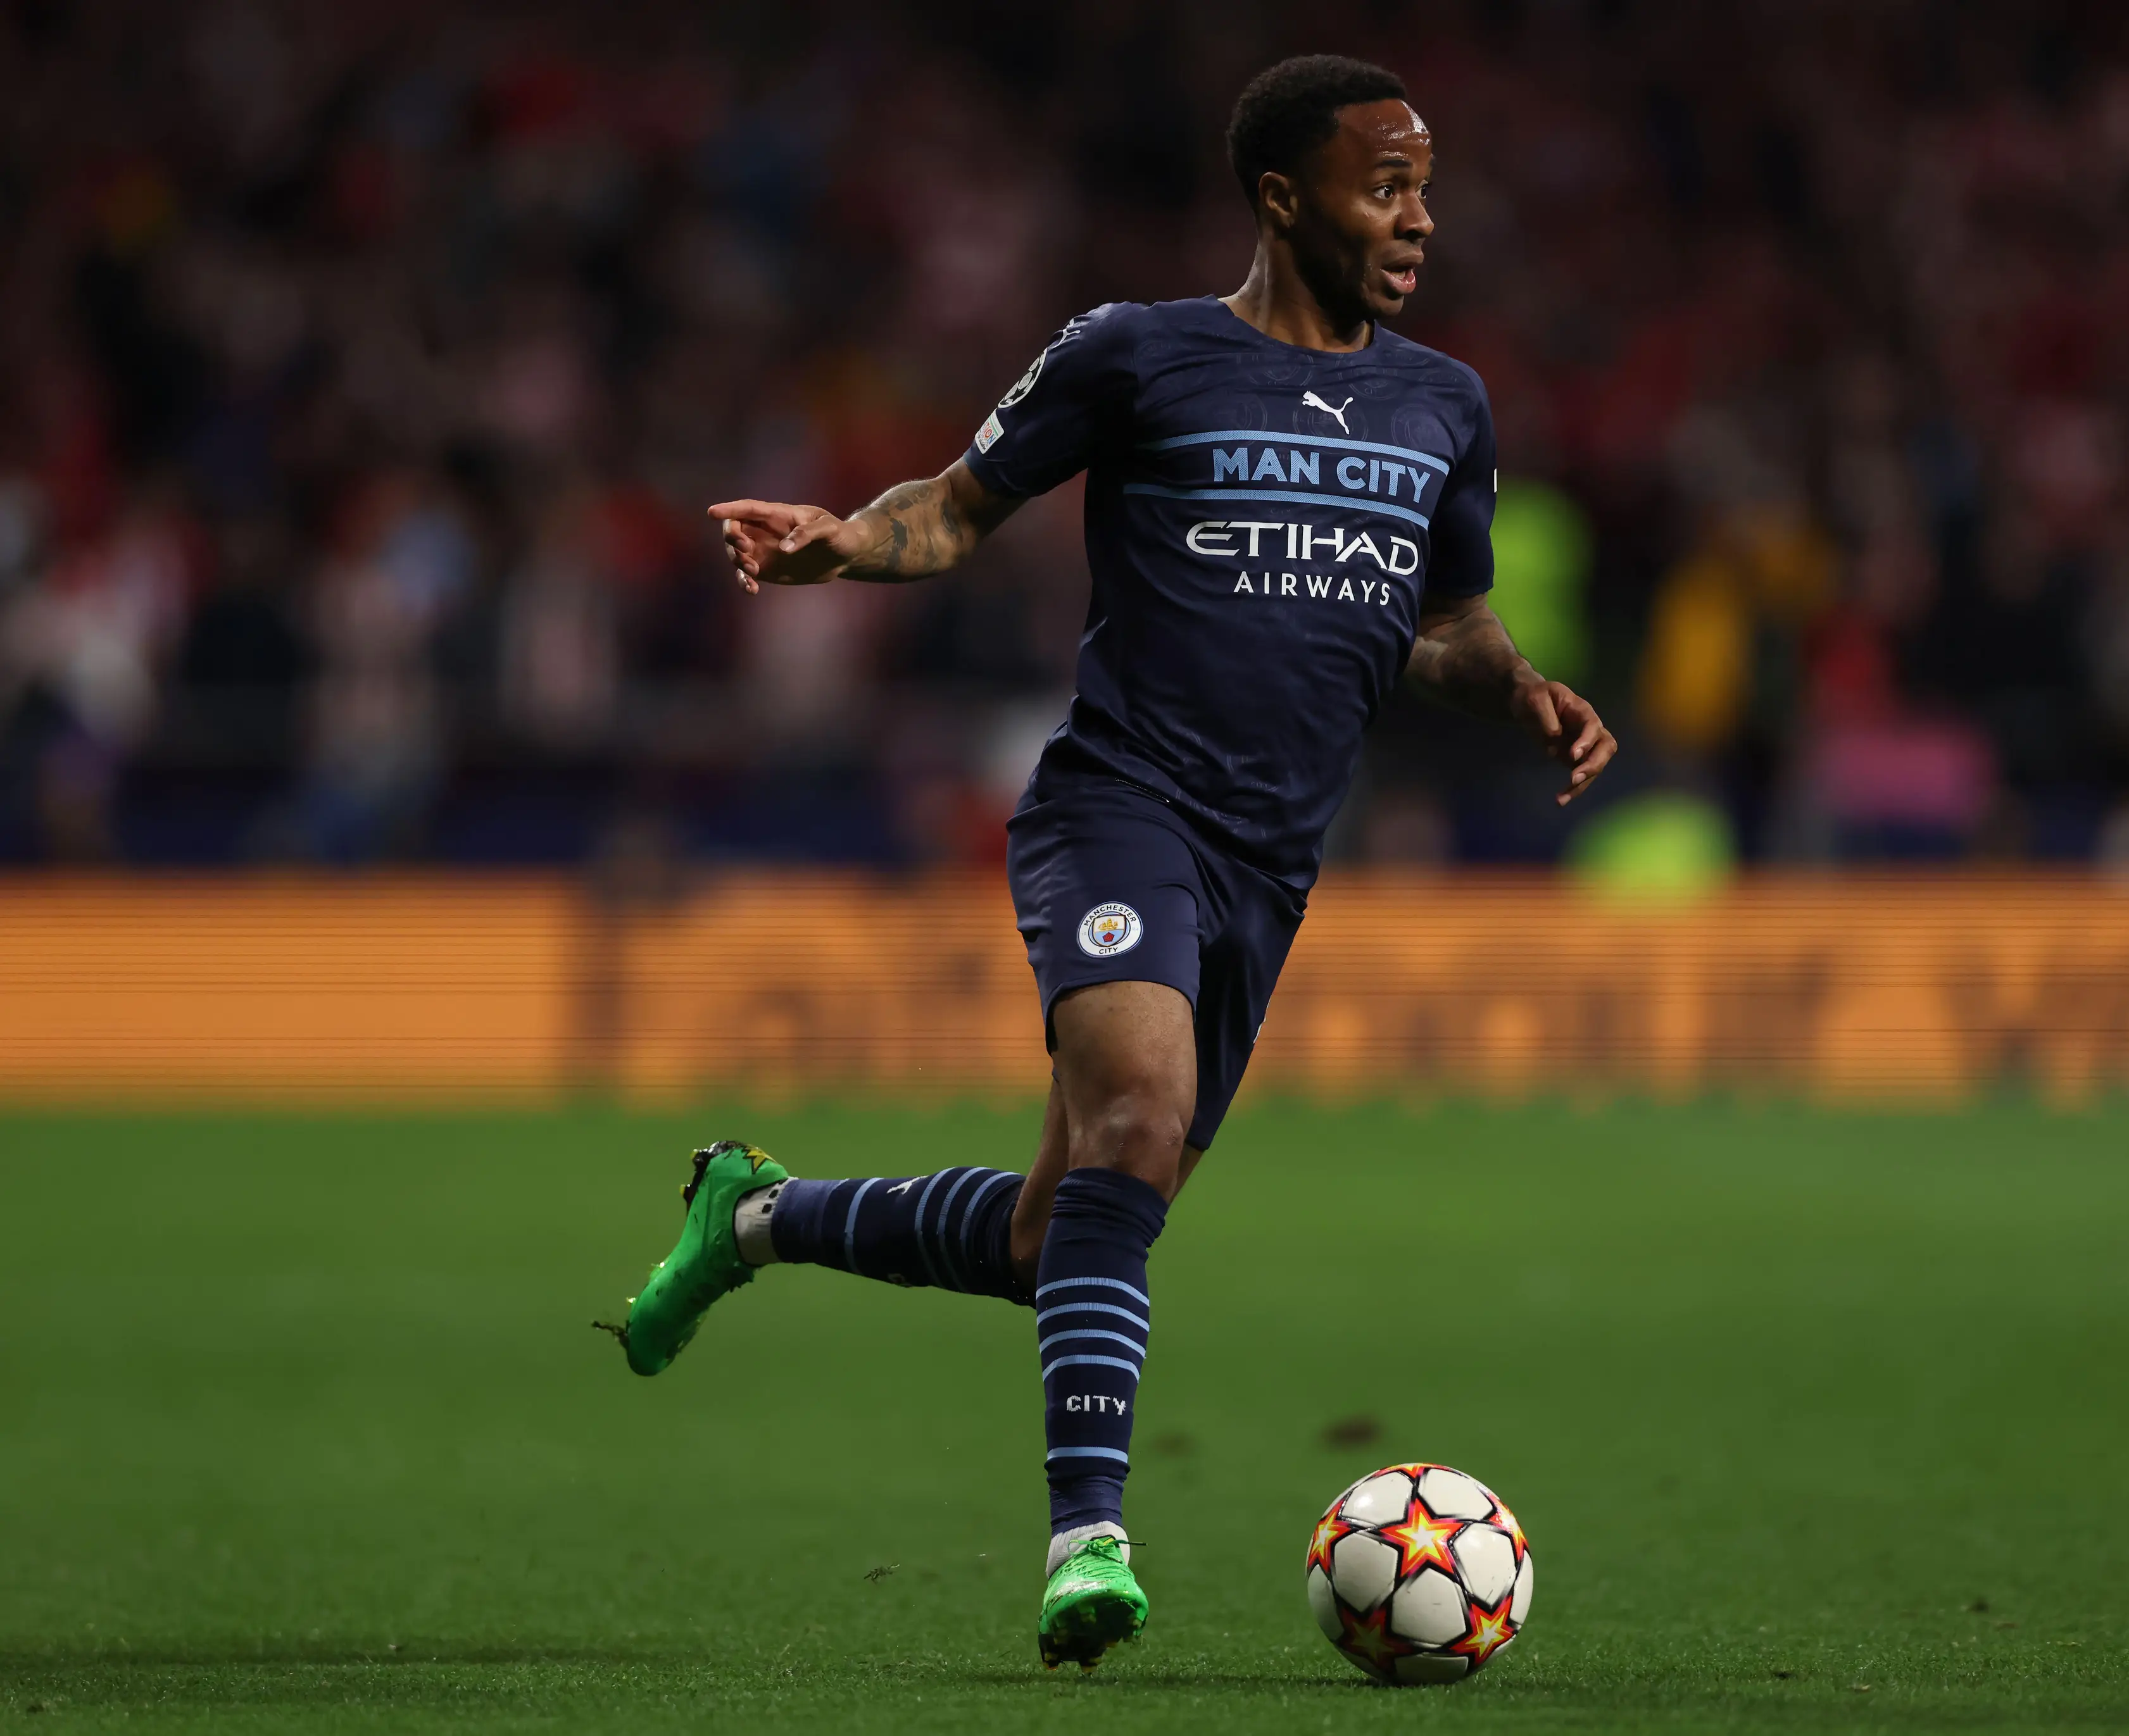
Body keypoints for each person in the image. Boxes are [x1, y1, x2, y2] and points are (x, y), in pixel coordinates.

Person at [597, 53, 1614, 1671]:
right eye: (1387, 185)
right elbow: (950, 509)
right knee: (1135, 1127)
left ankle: (753, 1223)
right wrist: (844, 543)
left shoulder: (1446, 403)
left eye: (1428, 185)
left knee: (1049, 1237)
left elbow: (1443, 625)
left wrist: (1525, 688)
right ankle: (1089, 1546)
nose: (1421, 218)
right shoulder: (1136, 356)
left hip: (1273, 871)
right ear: (1284, 198)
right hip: (1119, 804)